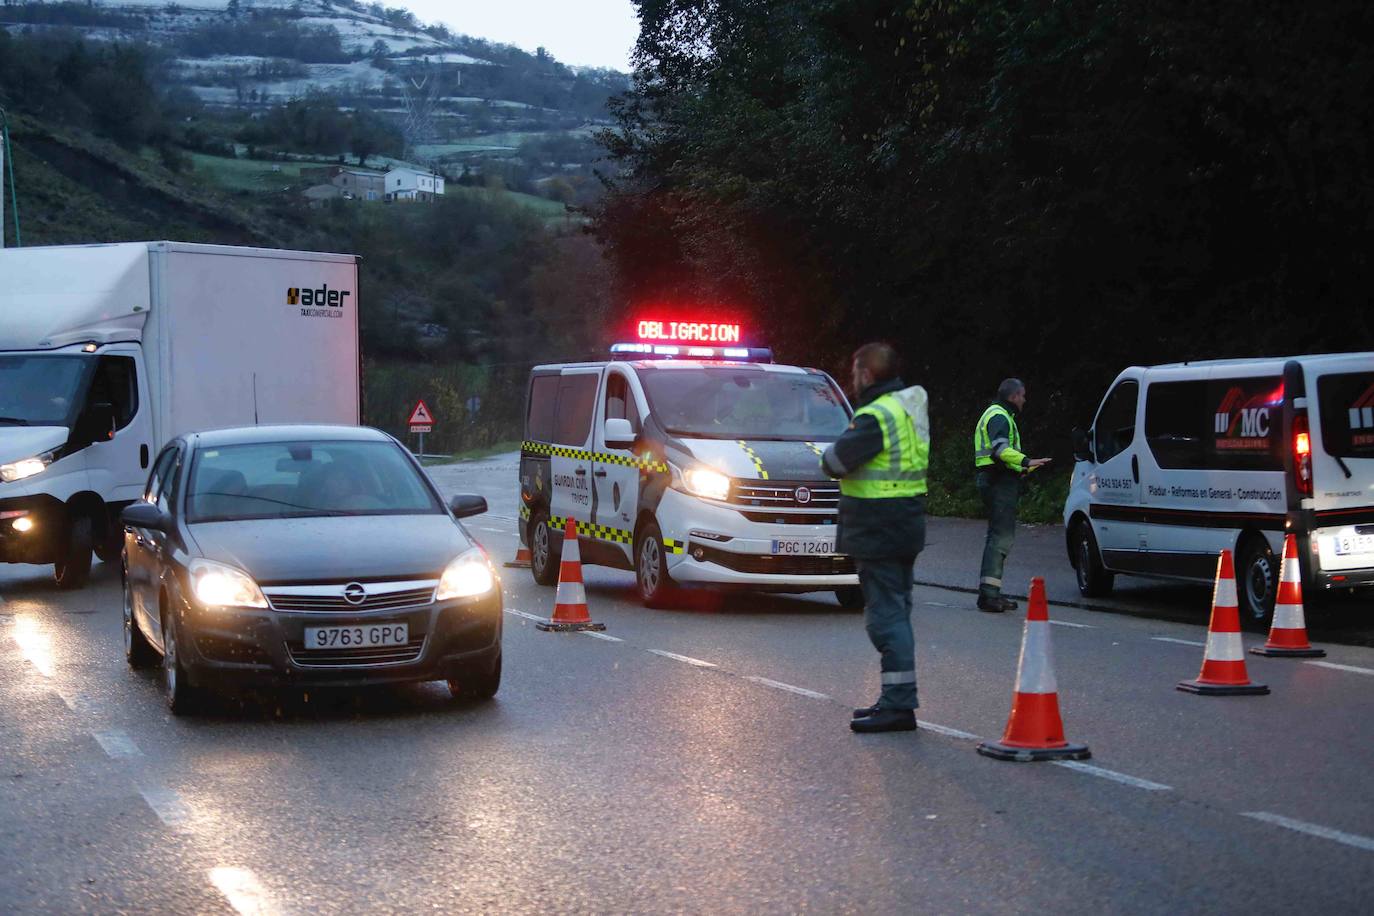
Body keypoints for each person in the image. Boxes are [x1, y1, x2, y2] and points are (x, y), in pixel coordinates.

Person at [821, 342, 930, 733]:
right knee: (897, 612)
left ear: (866, 374)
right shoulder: (907, 405)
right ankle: (895, 700)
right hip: (905, 522)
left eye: (855, 372)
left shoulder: (874, 416)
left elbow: (833, 462)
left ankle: (899, 707)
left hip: (877, 528)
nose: (853, 379)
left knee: (885, 619)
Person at [973, 378, 1051, 612]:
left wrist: (1023, 468)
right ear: (1014, 396)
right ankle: (988, 596)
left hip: (996, 479)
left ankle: (991, 592)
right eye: (1023, 396)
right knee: (1001, 538)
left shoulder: (996, 413)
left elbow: (999, 455)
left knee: (997, 537)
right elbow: (999, 450)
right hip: (998, 482)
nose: (1025, 400)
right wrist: (1025, 461)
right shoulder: (999, 416)